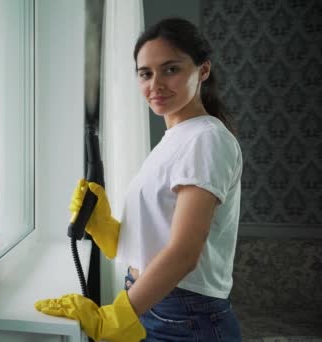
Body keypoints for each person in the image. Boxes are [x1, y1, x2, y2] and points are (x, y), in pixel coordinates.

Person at [35, 17, 243, 342]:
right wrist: (106, 227)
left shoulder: (206, 139)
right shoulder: (175, 138)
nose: (155, 84)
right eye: (145, 73)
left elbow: (185, 253)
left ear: (203, 71)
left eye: (171, 69)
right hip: (155, 305)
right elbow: (158, 240)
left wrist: (116, 317)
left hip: (184, 318)